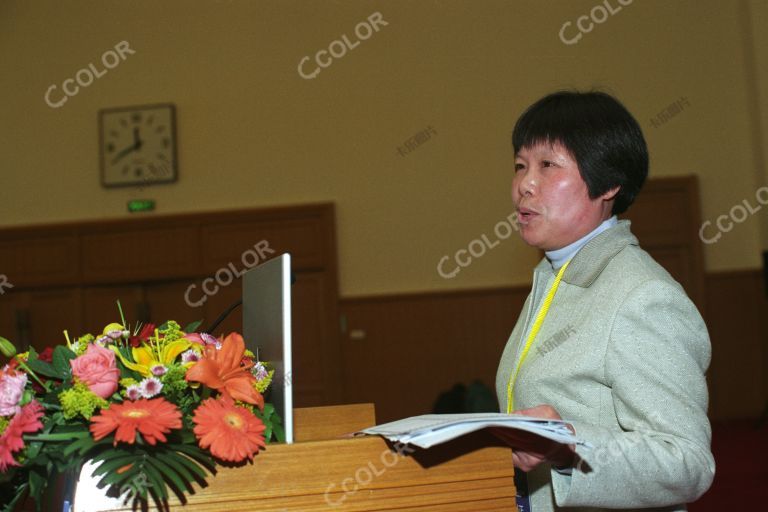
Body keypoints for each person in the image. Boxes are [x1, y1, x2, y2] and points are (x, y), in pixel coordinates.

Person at [494, 91, 715, 511]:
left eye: (547, 166)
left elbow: (687, 461)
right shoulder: (554, 280)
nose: (524, 184)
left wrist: (567, 448)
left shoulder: (643, 295)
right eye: (521, 165)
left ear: (609, 183)